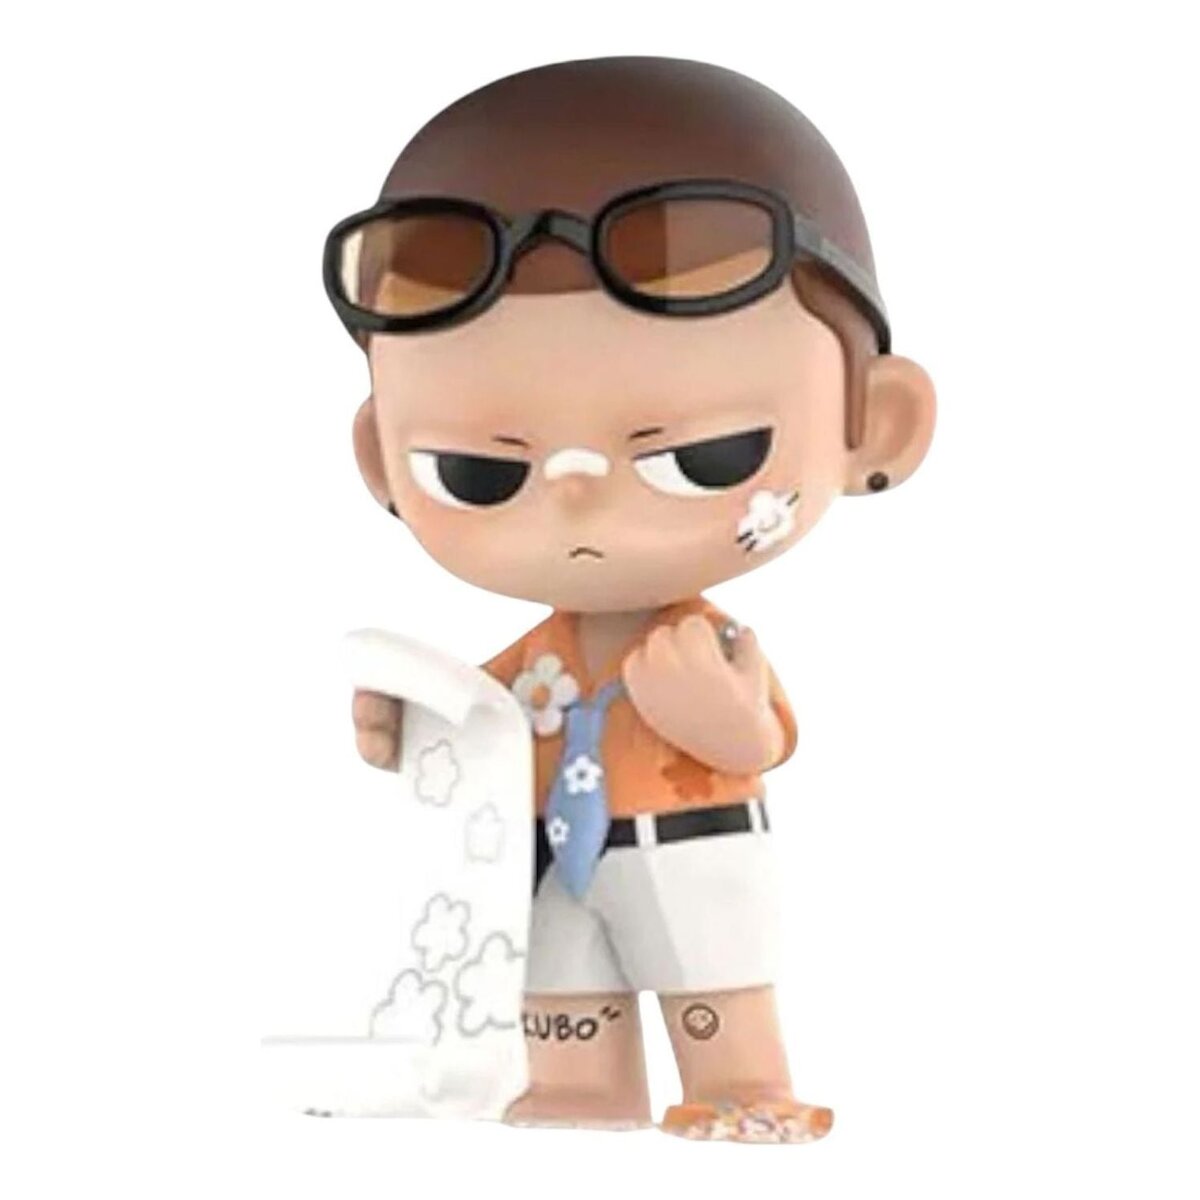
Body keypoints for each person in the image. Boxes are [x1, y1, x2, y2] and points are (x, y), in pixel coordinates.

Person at [332, 55, 936, 1143]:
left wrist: (717, 718)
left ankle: (742, 1084)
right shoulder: (534, 656)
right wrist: (414, 723)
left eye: (703, 456)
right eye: (478, 471)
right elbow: (478, 721)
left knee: (709, 968)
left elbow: (764, 737)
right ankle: (580, 1087)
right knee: (561, 981)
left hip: (688, 836)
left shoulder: (714, 638)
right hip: (542, 858)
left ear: (875, 426)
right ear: (382, 462)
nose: (576, 495)